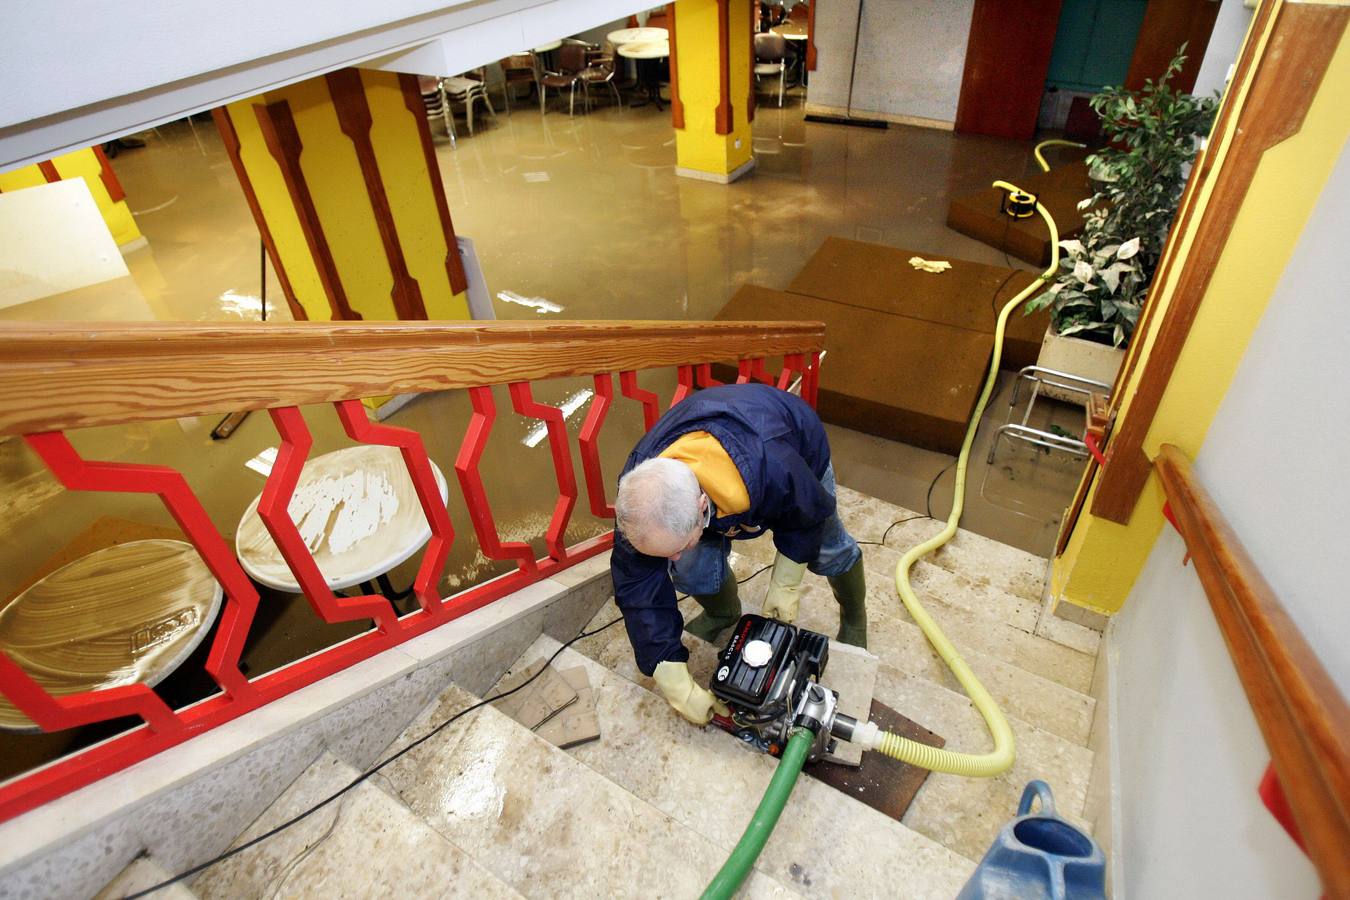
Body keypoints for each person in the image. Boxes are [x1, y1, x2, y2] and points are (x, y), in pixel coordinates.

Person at [611, 382, 867, 725]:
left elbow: (806, 515)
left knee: (827, 550)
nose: (669, 561)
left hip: (791, 444)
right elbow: (637, 584)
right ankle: (723, 613)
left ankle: (854, 615)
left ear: (703, 508)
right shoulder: (643, 498)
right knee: (690, 567)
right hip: (716, 459)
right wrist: (667, 671)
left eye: (675, 547)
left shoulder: (778, 466)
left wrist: (787, 582)